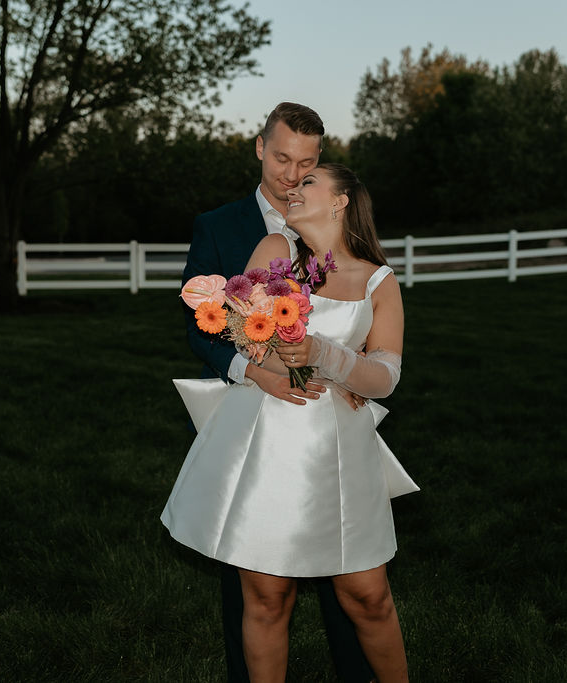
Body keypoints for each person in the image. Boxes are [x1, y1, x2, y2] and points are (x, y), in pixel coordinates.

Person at [163, 162, 418, 682]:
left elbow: (385, 376)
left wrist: (328, 356)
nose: (293, 189)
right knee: (267, 597)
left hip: (340, 449)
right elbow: (243, 336)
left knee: (367, 595)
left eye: (309, 183)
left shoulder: (378, 280)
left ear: (342, 200)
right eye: (293, 182)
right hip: (266, 439)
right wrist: (275, 365)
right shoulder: (275, 252)